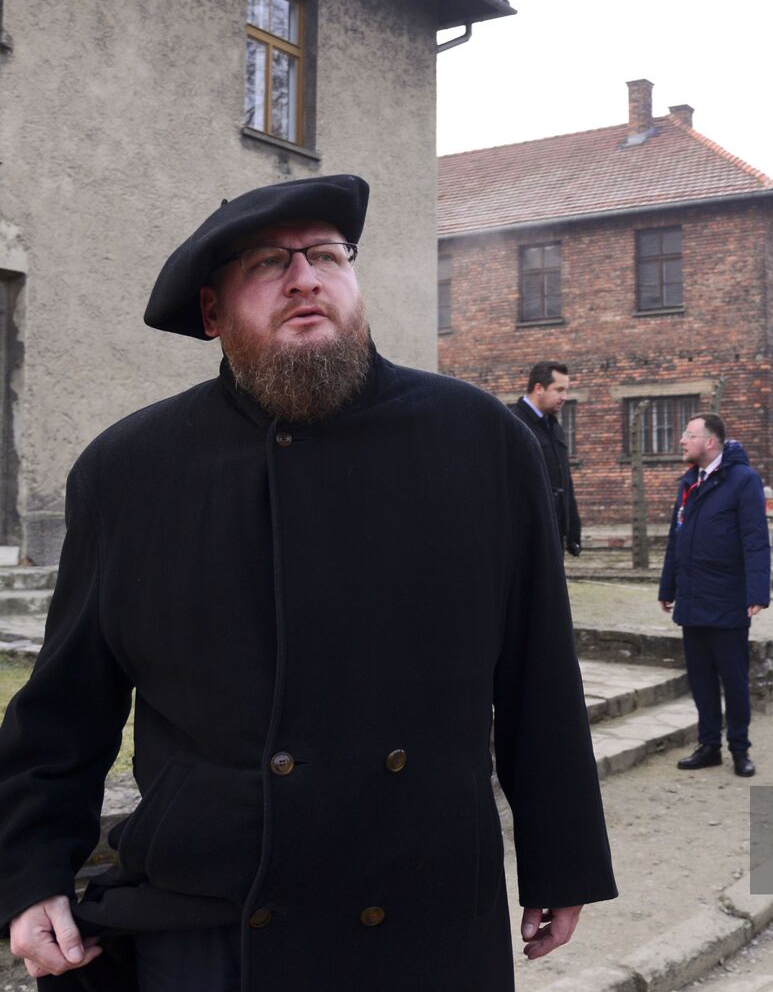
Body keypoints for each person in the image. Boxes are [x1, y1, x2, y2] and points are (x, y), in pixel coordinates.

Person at [0, 175, 616, 990]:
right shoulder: (128, 471)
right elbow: (66, 705)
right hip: (212, 918)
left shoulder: (481, 440)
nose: (304, 278)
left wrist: (560, 855)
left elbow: (538, 669)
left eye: (326, 255)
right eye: (267, 263)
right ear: (212, 313)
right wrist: (31, 873)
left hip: (425, 909)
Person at [659, 413, 771, 778]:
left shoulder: (743, 480)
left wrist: (758, 592)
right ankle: (709, 745)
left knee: (733, 680)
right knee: (701, 679)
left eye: (689, 434)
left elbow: (755, 539)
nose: (682, 440)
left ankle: (740, 748)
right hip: (692, 598)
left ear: (710, 442)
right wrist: (667, 587)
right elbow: (676, 538)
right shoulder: (689, 482)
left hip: (727, 598)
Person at [511, 361, 582, 557]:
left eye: (566, 390)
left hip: (555, 531)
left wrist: (573, 530)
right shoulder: (515, 424)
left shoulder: (554, 427)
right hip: (527, 533)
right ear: (539, 389)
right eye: (559, 390)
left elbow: (565, 481)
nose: (564, 397)